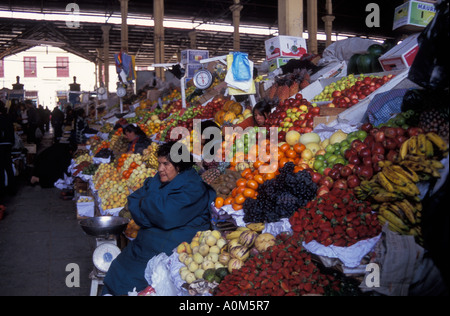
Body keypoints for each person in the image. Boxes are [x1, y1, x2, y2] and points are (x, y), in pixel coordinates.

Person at [102, 141, 216, 296]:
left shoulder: (193, 187)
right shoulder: (158, 179)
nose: (160, 168)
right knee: (118, 266)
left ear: (180, 166)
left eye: (166, 164)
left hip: (169, 245)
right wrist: (152, 215)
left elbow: (165, 216)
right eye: (160, 163)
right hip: (148, 239)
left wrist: (148, 209)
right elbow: (133, 199)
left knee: (134, 276)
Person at [0, 101, 16, 195]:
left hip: (1, 145)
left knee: (1, 168)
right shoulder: (8, 118)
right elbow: (11, 132)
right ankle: (12, 189)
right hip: (8, 144)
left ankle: (2, 189)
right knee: (8, 167)